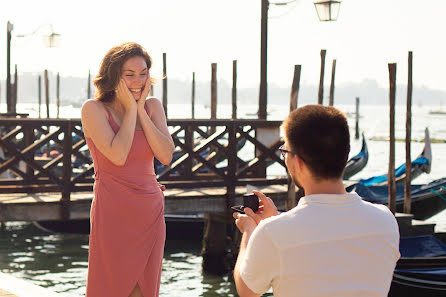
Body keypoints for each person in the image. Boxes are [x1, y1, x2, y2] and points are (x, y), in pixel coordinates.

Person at [233, 105, 400, 297]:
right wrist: (274, 222)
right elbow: (328, 241)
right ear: (345, 155)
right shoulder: (385, 221)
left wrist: (250, 231)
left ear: (298, 162)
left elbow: (247, 291)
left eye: (285, 151)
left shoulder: (272, 233)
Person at [81, 42, 174, 297]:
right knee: (116, 287)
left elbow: (165, 156)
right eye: (129, 74)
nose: (138, 81)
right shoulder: (93, 109)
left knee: (145, 289)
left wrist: (141, 111)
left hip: (150, 209)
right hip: (113, 209)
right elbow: (118, 155)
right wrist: (132, 109)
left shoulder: (153, 106)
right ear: (113, 76)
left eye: (143, 73)